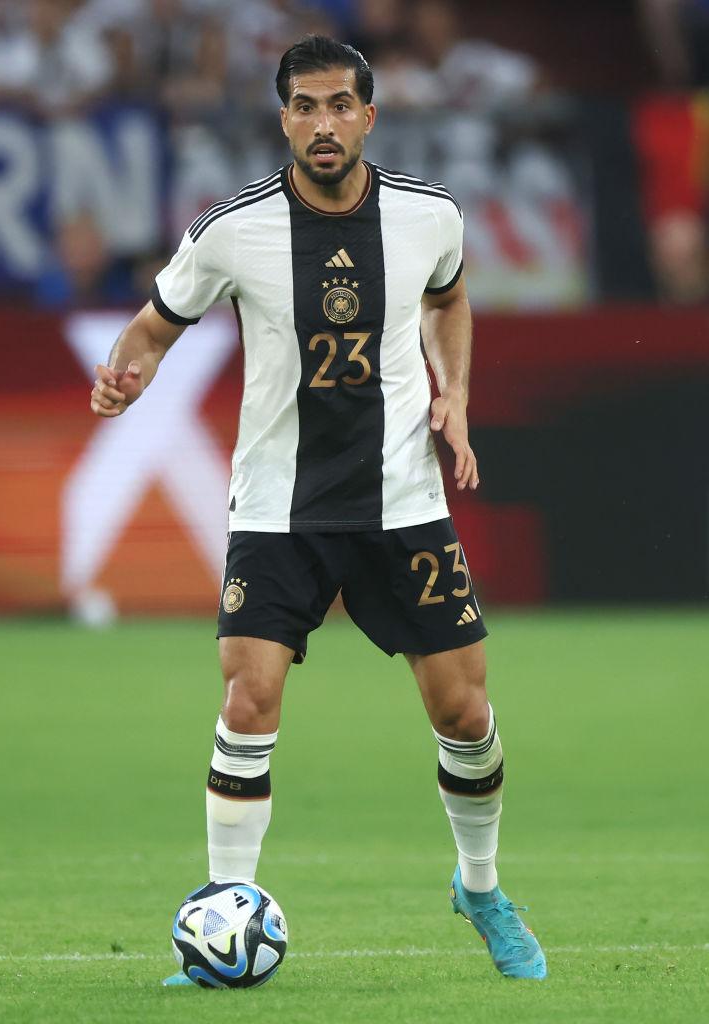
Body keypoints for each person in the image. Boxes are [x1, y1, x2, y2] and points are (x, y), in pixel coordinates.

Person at [90, 34, 546, 982]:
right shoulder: (232, 229)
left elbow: (447, 300)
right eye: (305, 106)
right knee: (247, 698)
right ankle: (222, 919)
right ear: (284, 119)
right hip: (276, 507)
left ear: (368, 115)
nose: (323, 123)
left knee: (464, 714)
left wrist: (455, 392)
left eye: (340, 105)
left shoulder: (429, 215)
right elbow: (155, 324)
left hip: (401, 501)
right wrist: (124, 374)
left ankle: (480, 888)